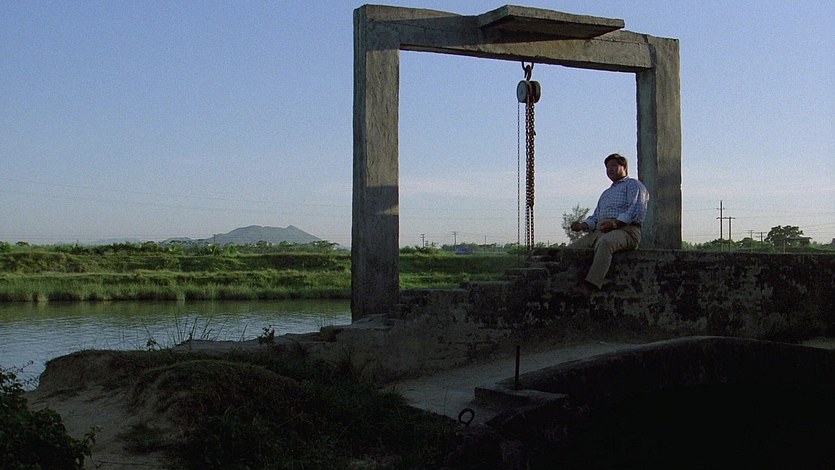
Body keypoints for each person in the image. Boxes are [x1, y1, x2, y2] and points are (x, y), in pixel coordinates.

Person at [568, 153, 649, 295]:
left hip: (626, 231)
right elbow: (596, 217)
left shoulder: (633, 185)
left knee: (606, 242)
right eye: (607, 167)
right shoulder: (606, 193)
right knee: (571, 250)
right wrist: (582, 225)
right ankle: (566, 281)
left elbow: (636, 209)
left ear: (624, 167)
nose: (609, 169)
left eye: (613, 165)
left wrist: (615, 224)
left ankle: (591, 284)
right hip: (601, 230)